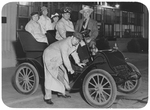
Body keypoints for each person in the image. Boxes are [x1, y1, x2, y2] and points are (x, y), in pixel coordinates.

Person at [43, 32, 85, 105]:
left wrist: (78, 62)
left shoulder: (74, 43)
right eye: (76, 39)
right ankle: (47, 97)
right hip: (49, 56)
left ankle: (61, 92)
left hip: (58, 57)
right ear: (72, 37)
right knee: (50, 76)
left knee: (62, 73)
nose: (76, 42)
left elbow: (74, 52)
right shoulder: (65, 44)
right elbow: (65, 58)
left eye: (78, 41)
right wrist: (70, 69)